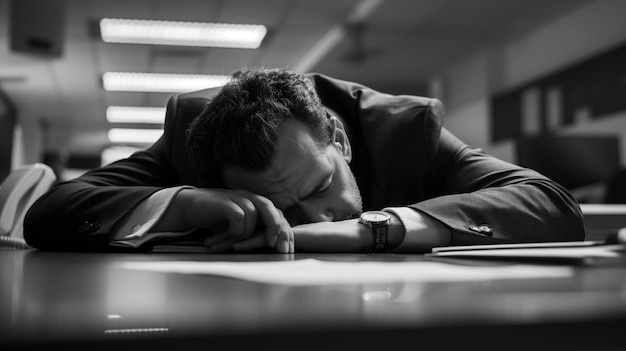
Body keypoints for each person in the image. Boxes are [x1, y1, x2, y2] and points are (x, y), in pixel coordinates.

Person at [23, 68, 585, 253]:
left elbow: (551, 205)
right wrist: (186, 202)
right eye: (279, 206)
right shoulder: (192, 138)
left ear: (337, 140)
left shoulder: (401, 129)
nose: (315, 220)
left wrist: (375, 229)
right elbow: (53, 212)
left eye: (321, 187)